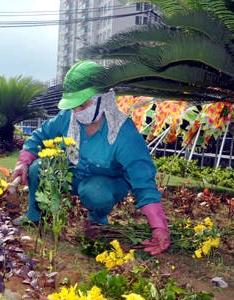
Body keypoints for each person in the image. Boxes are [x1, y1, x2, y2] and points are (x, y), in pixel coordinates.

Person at [12, 60, 170, 255]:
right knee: (39, 168)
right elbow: (40, 136)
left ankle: (97, 222)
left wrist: (159, 228)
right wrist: (23, 162)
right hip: (73, 176)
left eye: (82, 105)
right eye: (74, 106)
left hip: (107, 184)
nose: (77, 112)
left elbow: (143, 181)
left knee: (95, 192)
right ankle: (34, 217)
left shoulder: (123, 132)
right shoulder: (67, 118)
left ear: (102, 99)